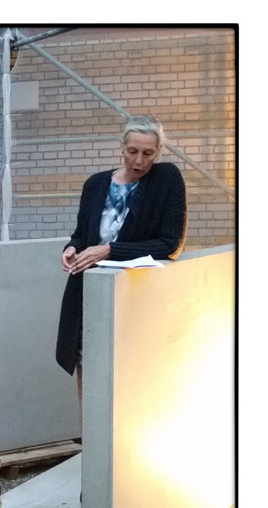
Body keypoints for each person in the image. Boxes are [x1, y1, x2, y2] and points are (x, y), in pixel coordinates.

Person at [55, 115, 187, 416]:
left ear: (159, 151)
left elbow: (170, 243)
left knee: (133, 374)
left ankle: (125, 456)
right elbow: (81, 234)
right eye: (132, 151)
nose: (138, 160)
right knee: (86, 365)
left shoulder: (166, 179)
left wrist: (110, 251)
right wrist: (72, 248)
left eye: (148, 153)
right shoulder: (96, 184)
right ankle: (92, 450)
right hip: (88, 292)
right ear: (121, 147)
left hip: (135, 295)